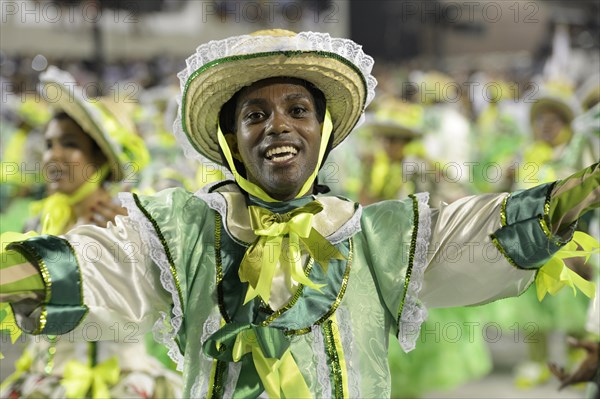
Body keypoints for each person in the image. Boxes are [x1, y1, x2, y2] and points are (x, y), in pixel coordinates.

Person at [0, 30, 598, 398]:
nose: (278, 124)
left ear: (323, 130)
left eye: (297, 108)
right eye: (254, 114)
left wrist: (586, 188)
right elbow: (100, 263)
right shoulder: (183, 232)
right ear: (232, 140)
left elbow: (480, 230)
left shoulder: (374, 237)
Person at [0, 67, 182, 398]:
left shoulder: (125, 222)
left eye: (69, 144)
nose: (53, 155)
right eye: (49, 144)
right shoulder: (35, 225)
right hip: (44, 383)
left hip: (120, 384)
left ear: (100, 158)